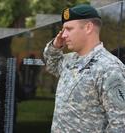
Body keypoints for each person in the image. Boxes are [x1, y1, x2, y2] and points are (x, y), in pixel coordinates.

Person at [43, 4, 125, 133]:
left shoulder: (109, 68)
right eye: (63, 29)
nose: (63, 35)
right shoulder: (69, 60)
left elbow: (120, 123)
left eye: (69, 29)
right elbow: (51, 65)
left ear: (88, 28)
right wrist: (55, 46)